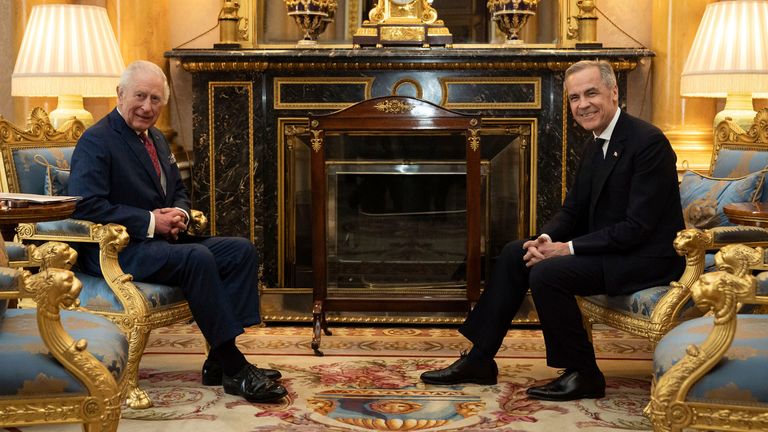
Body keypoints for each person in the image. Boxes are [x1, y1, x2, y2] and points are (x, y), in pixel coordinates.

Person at [420, 60, 685, 401]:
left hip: (646, 257)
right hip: (613, 250)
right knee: (518, 252)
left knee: (549, 273)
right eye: (574, 98)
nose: (583, 104)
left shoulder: (648, 143)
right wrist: (544, 239)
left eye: (591, 93)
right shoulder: (595, 144)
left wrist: (567, 249)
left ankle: (583, 373)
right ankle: (480, 359)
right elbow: (572, 210)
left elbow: (637, 228)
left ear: (613, 92)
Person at [68, 60, 287, 403]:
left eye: (156, 99)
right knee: (197, 257)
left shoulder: (155, 137)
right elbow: (87, 205)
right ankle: (235, 367)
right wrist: (153, 221)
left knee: (240, 250)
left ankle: (218, 361)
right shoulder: (97, 140)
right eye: (140, 96)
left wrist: (181, 214)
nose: (147, 107)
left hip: (161, 242)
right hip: (119, 250)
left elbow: (178, 192)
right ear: (120, 94)